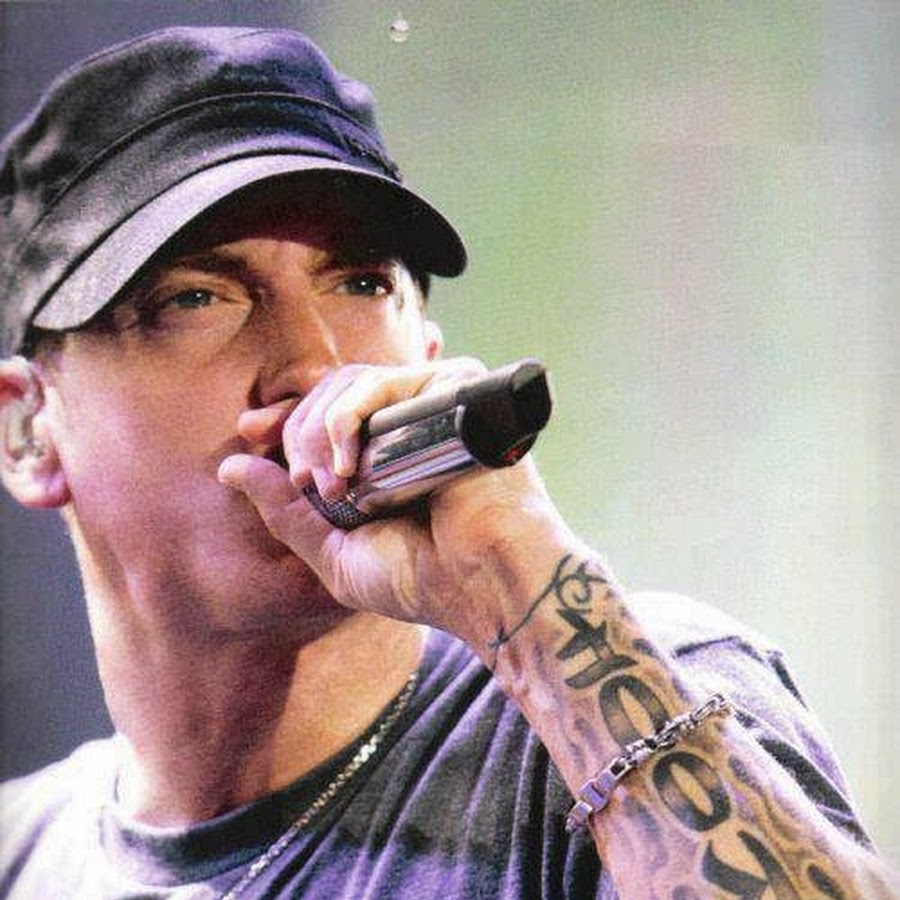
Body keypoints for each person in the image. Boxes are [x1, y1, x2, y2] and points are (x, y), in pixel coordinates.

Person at [0, 25, 894, 900]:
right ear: (27, 432)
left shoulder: (640, 700)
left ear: (426, 355)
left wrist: (522, 592)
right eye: (194, 297)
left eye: (362, 283)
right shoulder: (20, 853)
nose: (314, 362)